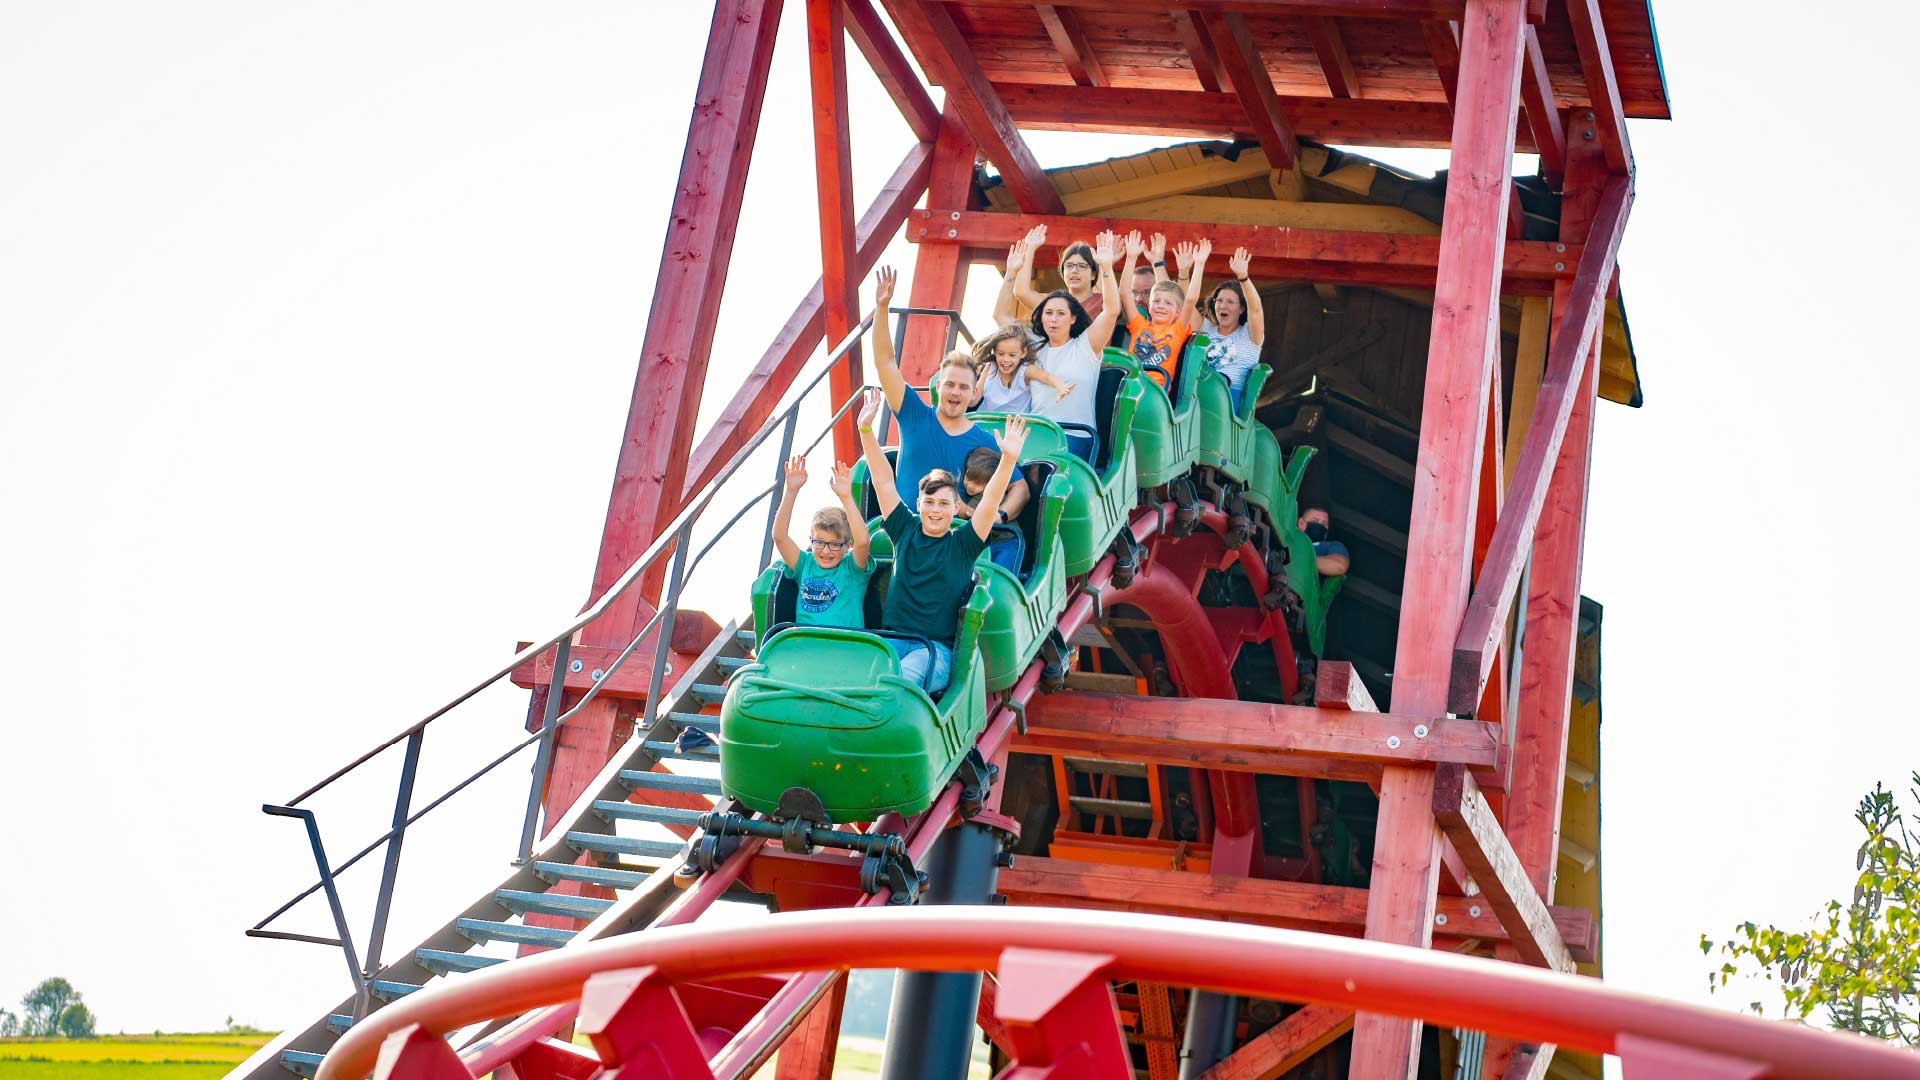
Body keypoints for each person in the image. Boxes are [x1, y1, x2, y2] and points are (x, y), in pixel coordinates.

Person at [858, 391, 1030, 693]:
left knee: (899, 681)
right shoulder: (905, 529)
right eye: (930, 502)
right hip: (892, 642)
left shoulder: (963, 543)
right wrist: (866, 432)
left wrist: (1008, 461)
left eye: (943, 504)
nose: (935, 510)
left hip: (934, 651)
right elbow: (883, 481)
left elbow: (989, 502)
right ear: (919, 504)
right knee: (863, 676)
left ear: (955, 509)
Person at [871, 266, 1031, 510]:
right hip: (906, 529)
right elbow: (885, 362)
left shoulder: (983, 440)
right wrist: (882, 308)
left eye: (963, 387)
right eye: (950, 385)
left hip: (953, 535)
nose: (956, 392)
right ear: (938, 387)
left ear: (973, 393)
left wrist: (998, 516)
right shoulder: (913, 414)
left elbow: (1020, 488)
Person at [995, 227, 1122, 461]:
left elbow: (1112, 310)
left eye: (1060, 313)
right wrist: (1012, 272)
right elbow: (1001, 316)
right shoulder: (1033, 346)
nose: (1054, 319)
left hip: (1074, 436)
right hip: (1036, 435)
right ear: (1040, 316)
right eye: (1048, 313)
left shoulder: (1086, 346)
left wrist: (1105, 267)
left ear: (1073, 318)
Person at [768, 455, 871, 628]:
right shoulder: (804, 564)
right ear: (811, 541)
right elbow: (779, 536)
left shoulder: (852, 569)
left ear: (847, 546)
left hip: (846, 645)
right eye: (820, 543)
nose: (826, 551)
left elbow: (863, 541)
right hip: (809, 644)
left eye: (835, 544)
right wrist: (791, 491)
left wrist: (846, 497)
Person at [1119, 235, 1211, 392]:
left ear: (1178, 312)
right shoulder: (1139, 325)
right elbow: (1124, 294)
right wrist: (1131, 257)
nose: (1161, 306)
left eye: (1168, 303)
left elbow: (1190, 299)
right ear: (1149, 305)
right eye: (1156, 301)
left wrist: (1199, 265)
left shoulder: (1177, 329)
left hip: (1156, 391)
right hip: (1131, 386)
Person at [1200, 247, 1266, 411]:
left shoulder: (1249, 335)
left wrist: (1243, 277)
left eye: (1230, 302)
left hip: (1229, 398)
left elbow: (1256, 309)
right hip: (1199, 391)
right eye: (1219, 300)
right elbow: (1182, 303)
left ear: (1242, 308)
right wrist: (1185, 268)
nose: (1223, 305)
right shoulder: (1206, 328)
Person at [969, 323, 1073, 414]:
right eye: (1001, 354)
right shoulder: (989, 367)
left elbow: (1047, 377)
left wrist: (1061, 387)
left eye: (1012, 355)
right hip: (987, 423)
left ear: (1023, 353)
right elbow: (974, 400)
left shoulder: (1025, 370)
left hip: (1015, 428)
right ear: (995, 352)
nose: (1006, 359)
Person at [961, 446, 1026, 574]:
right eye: (969, 478)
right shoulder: (974, 495)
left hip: (1007, 542)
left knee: (1000, 575)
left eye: (979, 483)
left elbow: (972, 514)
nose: (970, 486)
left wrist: (958, 504)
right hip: (987, 544)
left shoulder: (992, 497)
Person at [1299, 507, 1350, 577]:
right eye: (1314, 521)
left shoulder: (1332, 546)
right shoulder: (1288, 541)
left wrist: (1298, 559)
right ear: (1301, 523)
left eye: (1324, 524)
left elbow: (1339, 566)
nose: (1320, 526)